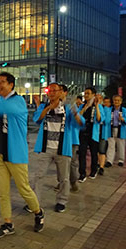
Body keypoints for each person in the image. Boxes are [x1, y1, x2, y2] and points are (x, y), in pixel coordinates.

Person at [0, 72, 44, 238]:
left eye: (2, 82)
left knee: (24, 189)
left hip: (16, 153)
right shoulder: (0, 101)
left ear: (11, 85)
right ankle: (8, 223)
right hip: (1, 153)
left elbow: (1, 108)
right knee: (2, 192)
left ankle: (38, 212)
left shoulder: (18, 101)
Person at [31, 83, 84, 213]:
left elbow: (80, 123)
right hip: (45, 147)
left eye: (55, 90)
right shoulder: (44, 106)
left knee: (63, 177)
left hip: (63, 148)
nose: (52, 93)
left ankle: (61, 201)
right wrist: (48, 108)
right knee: (38, 175)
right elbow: (36, 119)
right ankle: (34, 202)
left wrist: (75, 112)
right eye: (50, 90)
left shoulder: (67, 108)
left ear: (61, 93)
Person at [76, 87, 103, 182]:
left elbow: (100, 119)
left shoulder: (98, 106)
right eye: (85, 93)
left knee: (93, 153)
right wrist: (85, 107)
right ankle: (82, 173)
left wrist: (97, 106)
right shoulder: (82, 106)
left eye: (88, 93)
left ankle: (94, 170)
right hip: (83, 133)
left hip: (93, 133)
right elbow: (77, 117)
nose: (86, 95)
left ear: (93, 95)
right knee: (82, 153)